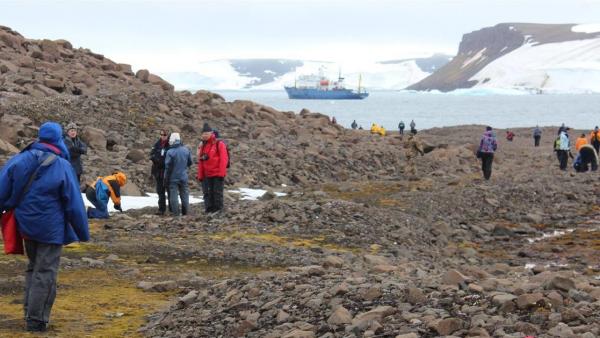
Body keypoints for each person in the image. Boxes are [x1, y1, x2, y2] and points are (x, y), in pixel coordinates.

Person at [0, 122, 89, 332]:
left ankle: (30, 311)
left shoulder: (19, 160)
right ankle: (37, 320)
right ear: (58, 138)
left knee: (33, 267)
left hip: (25, 225)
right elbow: (74, 202)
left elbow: (2, 189)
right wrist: (82, 231)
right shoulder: (62, 165)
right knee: (46, 270)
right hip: (51, 228)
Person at [197, 123, 228, 213]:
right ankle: (210, 210)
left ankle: (218, 211)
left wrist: (221, 174)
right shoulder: (203, 145)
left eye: (206, 133)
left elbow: (224, 159)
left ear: (211, 133)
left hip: (217, 173)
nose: (204, 135)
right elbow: (201, 161)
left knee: (217, 193)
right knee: (208, 193)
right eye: (203, 134)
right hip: (207, 174)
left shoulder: (219, 144)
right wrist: (200, 175)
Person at [164, 133, 192, 216]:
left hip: (173, 177)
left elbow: (167, 166)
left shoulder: (170, 152)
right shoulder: (186, 150)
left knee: (174, 196)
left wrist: (166, 178)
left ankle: (176, 214)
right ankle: (185, 212)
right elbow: (190, 162)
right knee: (185, 194)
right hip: (183, 176)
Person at [150, 129, 170, 215]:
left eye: (165, 135)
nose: (163, 136)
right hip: (158, 171)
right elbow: (152, 154)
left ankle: (172, 209)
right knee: (160, 191)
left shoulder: (170, 145)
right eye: (161, 134)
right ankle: (161, 209)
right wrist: (155, 159)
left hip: (166, 171)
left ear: (167, 135)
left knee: (169, 191)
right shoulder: (157, 144)